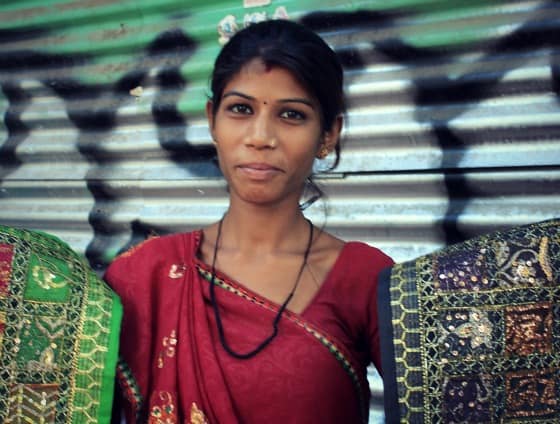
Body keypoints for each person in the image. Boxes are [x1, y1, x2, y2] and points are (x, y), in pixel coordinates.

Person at [105, 19, 393, 424]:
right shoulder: (144, 275)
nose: (260, 136)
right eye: (240, 109)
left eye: (291, 115)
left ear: (329, 135)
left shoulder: (364, 278)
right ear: (212, 120)